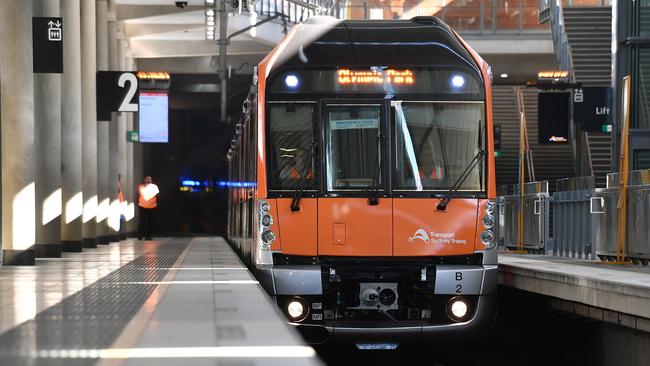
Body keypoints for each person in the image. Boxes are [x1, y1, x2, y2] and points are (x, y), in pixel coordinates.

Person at [138, 176, 159, 240]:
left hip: (152, 206)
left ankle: (149, 236)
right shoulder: (141, 186)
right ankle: (140, 235)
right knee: (142, 221)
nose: (149, 180)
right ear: (144, 180)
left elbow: (157, 195)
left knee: (150, 222)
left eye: (150, 179)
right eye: (147, 179)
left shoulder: (154, 187)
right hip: (142, 206)